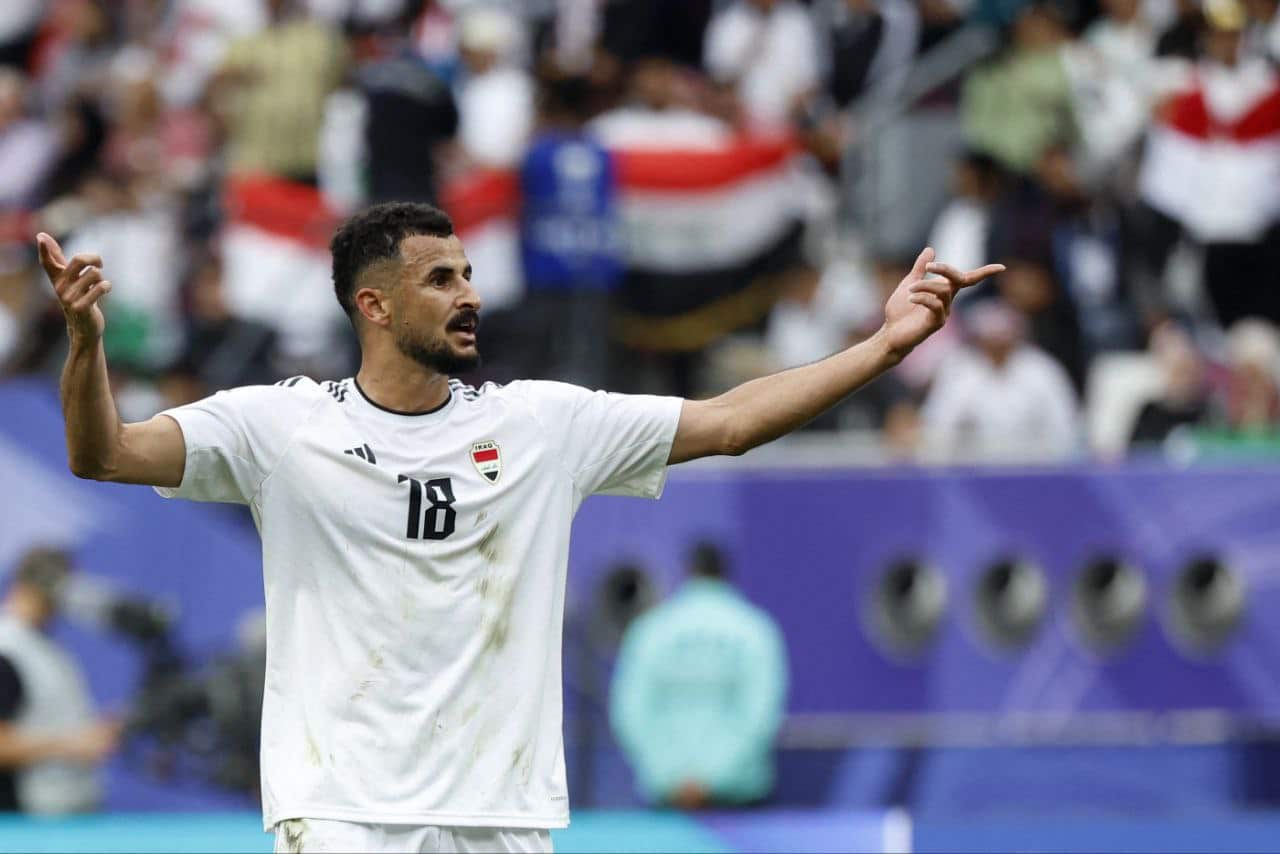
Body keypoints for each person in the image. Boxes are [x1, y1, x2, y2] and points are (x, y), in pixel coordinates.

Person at [35, 201, 1001, 852]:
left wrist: (883, 348)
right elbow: (105, 453)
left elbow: (731, 422)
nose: (470, 294)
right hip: (343, 815)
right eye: (441, 279)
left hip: (502, 814)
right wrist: (84, 344)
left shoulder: (541, 423)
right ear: (374, 305)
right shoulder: (278, 426)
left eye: (467, 273)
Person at [609, 542, 787, 808]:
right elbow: (761, 717)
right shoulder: (755, 630)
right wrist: (712, 779)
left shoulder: (650, 631)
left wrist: (672, 775)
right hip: (739, 804)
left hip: (668, 798)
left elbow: (630, 714)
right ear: (725, 574)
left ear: (687, 572)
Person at [0, 547, 121, 814]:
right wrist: (73, 744)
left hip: (64, 813)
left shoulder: (42, 646)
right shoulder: (7, 649)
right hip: (26, 818)